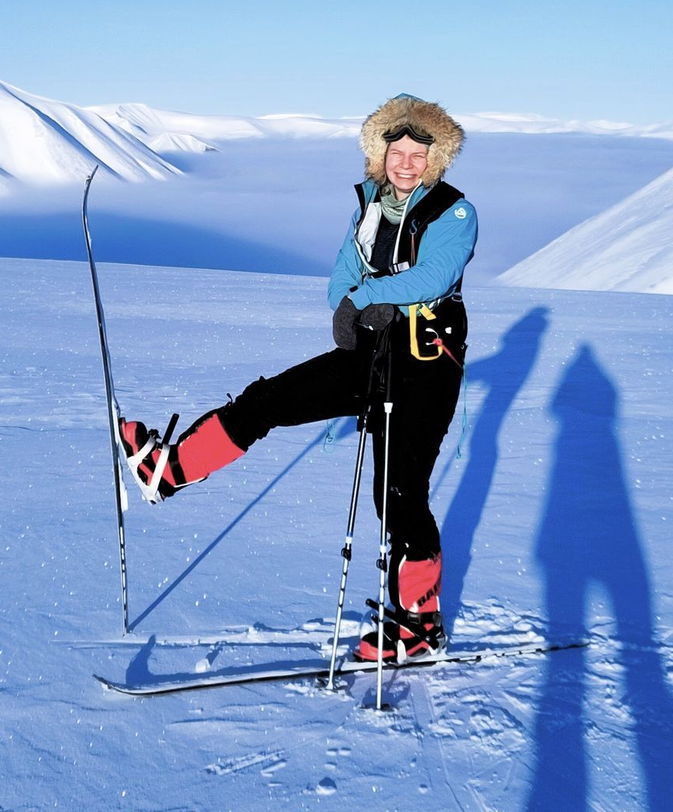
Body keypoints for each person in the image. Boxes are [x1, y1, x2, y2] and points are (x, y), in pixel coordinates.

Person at [118, 93, 477, 662]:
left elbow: (436, 275)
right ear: (378, 154)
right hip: (374, 349)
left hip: (427, 365)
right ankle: (170, 469)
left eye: (417, 154)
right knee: (270, 399)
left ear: (435, 160)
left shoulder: (453, 211)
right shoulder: (370, 207)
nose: (406, 163)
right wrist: (349, 308)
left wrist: (370, 297)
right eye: (396, 151)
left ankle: (419, 624)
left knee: (400, 495)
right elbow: (343, 273)